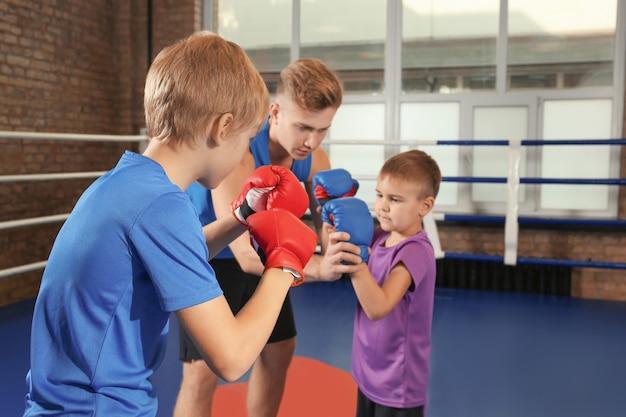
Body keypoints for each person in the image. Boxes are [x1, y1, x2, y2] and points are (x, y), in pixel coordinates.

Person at [22, 31, 322, 417]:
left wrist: (243, 216)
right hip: (99, 409)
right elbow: (232, 359)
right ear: (223, 128)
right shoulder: (164, 206)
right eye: (248, 139)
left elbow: (177, 251)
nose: (246, 152)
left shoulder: (126, 183)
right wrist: (285, 264)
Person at [173, 58, 362, 417]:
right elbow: (245, 255)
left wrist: (341, 242)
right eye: (304, 127)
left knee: (279, 349)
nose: (312, 140)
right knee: (201, 372)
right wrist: (324, 269)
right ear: (274, 112)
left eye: (323, 129)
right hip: (212, 256)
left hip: (271, 254)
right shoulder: (242, 149)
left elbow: (327, 225)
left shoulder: (312, 156)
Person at [323, 149, 442, 417]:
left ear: (424, 206)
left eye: (395, 199)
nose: (382, 206)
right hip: (368, 370)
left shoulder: (415, 251)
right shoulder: (378, 237)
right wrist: (329, 221)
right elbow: (333, 258)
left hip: (398, 382)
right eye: (379, 195)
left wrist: (355, 257)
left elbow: (378, 307)